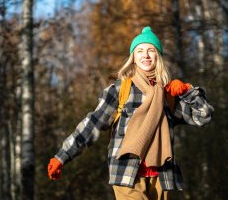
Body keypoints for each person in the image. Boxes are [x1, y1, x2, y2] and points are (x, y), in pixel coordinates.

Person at [47, 26, 214, 200]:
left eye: (151, 50)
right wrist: (62, 156)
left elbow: (204, 116)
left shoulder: (168, 93)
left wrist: (188, 91)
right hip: (127, 174)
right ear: (133, 57)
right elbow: (92, 124)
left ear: (159, 56)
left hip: (162, 176)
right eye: (140, 50)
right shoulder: (121, 89)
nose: (146, 55)